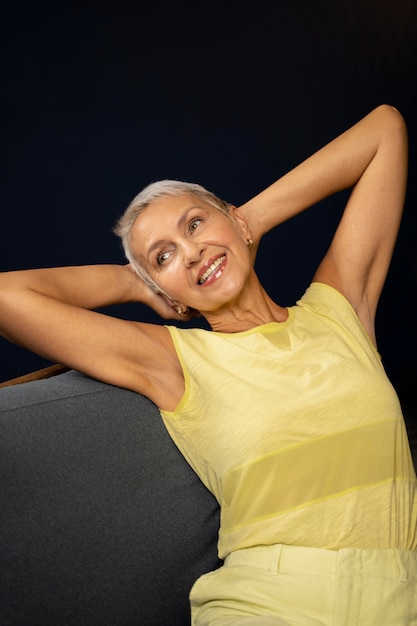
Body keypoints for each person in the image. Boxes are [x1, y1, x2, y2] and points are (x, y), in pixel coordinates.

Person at [0, 104, 416, 625]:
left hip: (399, 602)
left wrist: (250, 219)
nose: (192, 251)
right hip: (270, 606)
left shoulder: (342, 310)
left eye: (195, 224)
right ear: (167, 295)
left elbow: (384, 131)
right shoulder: (175, 361)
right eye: (163, 256)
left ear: (233, 219)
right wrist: (137, 283)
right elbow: (6, 298)